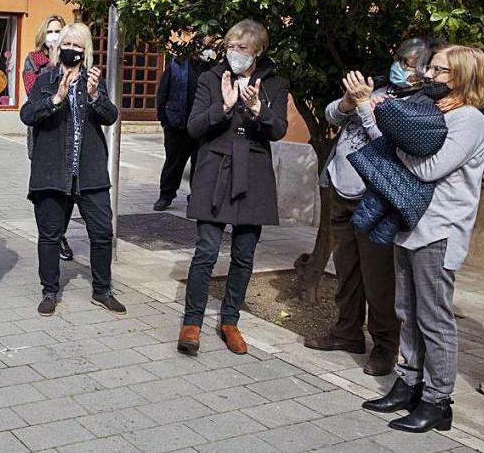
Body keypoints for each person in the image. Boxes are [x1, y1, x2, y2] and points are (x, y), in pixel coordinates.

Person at [363, 45, 484, 434]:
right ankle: (408, 382)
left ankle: (438, 401)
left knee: (434, 319)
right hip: (412, 224)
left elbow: (431, 168)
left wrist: (394, 142)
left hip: (440, 230)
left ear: (462, 77)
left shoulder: (468, 119)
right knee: (408, 312)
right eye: (431, 69)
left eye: (439, 71)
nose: (429, 76)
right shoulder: (438, 111)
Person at [306, 38, 432, 376]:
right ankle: (347, 332)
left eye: (411, 64)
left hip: (375, 199)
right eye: (400, 60)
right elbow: (331, 114)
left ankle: (385, 345)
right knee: (346, 269)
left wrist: (364, 107)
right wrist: (348, 102)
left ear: (425, 71)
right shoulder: (376, 87)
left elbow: (392, 145)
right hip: (342, 190)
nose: (402, 68)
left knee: (379, 278)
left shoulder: (419, 106)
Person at [177, 20, 289, 356]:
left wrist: (258, 109)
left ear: (258, 51)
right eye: (231, 46)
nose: (234, 53)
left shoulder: (274, 84)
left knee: (244, 255)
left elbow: (279, 129)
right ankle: (191, 322)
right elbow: (194, 127)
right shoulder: (212, 78)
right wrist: (223, 107)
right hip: (215, 170)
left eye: (242, 48)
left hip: (252, 174)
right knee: (207, 251)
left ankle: (230, 320)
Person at [21, 22, 125, 317]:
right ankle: (49, 291)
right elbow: (28, 115)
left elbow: (110, 116)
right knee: (50, 234)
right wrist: (56, 99)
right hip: (52, 172)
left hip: (89, 173)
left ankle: (102, 290)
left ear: (86, 51)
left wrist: (94, 96)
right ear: (57, 47)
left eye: (78, 46)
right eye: (67, 44)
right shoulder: (46, 79)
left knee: (103, 232)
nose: (71, 50)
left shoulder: (94, 81)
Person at [22, 14, 74, 261]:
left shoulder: (72, 61)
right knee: (45, 186)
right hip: (42, 130)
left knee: (70, 189)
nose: (54, 35)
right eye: (51, 31)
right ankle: (50, 232)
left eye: (59, 31)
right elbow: (33, 95)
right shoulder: (35, 60)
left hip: (69, 132)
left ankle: (60, 232)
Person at [153, 42, 214, 211]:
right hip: (177, 125)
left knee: (200, 165)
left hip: (203, 127)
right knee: (173, 163)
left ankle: (196, 197)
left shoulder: (214, 69)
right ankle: (165, 196)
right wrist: (164, 120)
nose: (205, 50)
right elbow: (162, 93)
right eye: (202, 46)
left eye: (208, 47)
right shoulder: (176, 65)